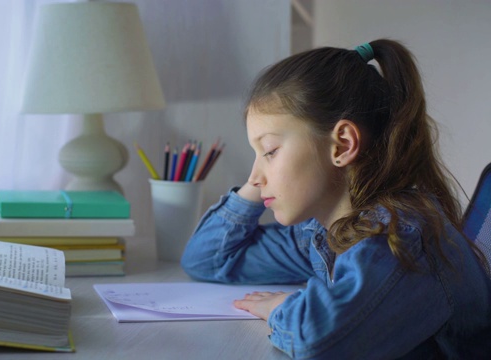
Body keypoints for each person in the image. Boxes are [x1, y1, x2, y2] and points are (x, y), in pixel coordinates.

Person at [180, 39, 491, 359]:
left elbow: (319, 341)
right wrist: (254, 186)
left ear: (342, 145)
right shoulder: (321, 233)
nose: (255, 176)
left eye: (270, 151)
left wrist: (282, 306)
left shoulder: (400, 239)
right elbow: (208, 260)